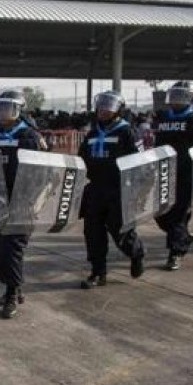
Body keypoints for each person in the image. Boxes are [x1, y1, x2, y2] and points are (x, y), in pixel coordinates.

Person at [77, 90, 145, 288]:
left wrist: (136, 191)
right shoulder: (91, 133)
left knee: (120, 231)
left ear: (118, 110)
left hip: (119, 190)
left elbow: (139, 162)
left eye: (109, 106)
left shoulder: (128, 132)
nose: (104, 110)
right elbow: (81, 158)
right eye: (101, 106)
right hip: (96, 189)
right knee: (92, 232)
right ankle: (98, 272)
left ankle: (136, 253)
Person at [0, 90, 45, 317]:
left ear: (17, 110)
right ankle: (14, 286)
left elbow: (37, 172)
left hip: (21, 200)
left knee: (12, 248)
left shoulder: (28, 136)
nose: (1, 111)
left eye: (6, 107)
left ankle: (11, 294)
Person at [153, 81, 193, 270]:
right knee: (160, 214)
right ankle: (183, 237)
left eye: (181, 96)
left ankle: (176, 252)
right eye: (174, 96)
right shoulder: (162, 118)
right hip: (165, 173)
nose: (176, 101)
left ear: (190, 98)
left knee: (178, 216)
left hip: (188, 175)